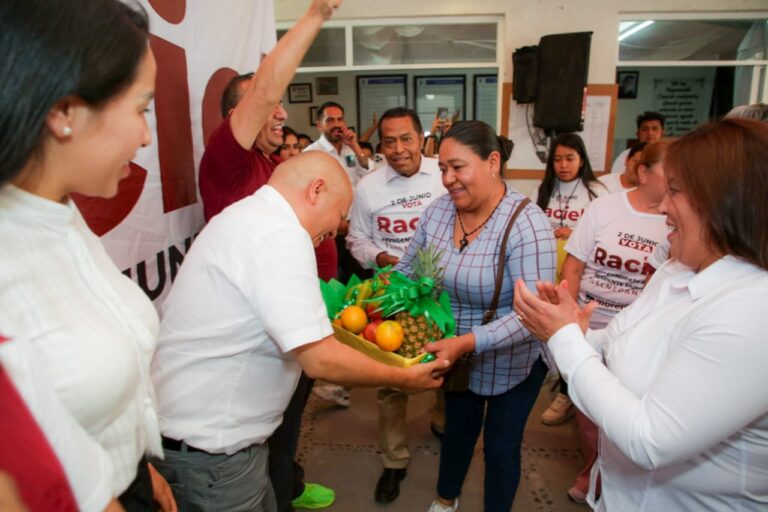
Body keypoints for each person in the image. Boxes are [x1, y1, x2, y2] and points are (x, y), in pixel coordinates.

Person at [151, 152, 447, 512]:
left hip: (209, 445)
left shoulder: (247, 216)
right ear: (316, 190)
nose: (336, 230)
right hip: (212, 455)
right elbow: (319, 360)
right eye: (340, 215)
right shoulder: (279, 234)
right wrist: (403, 376)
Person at [514, 117, 768, 510]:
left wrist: (564, 338)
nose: (663, 206)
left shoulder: (753, 311)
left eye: (676, 192)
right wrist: (576, 330)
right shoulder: (675, 269)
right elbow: (617, 341)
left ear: (723, 200)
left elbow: (650, 440)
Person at [0, 1, 175, 510]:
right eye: (141, 109)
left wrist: (134, 464)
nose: (146, 136)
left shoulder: (62, 212)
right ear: (64, 113)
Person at [394, 121, 556, 512]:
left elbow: (532, 315)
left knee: (501, 448)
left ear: (492, 162)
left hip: (513, 360)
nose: (448, 179)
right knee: (457, 433)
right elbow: (406, 270)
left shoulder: (527, 224)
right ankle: (445, 500)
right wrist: (381, 300)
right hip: (457, 359)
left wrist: (467, 341)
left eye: (458, 167)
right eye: (443, 169)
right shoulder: (437, 213)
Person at [344, 107, 448, 503]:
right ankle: (394, 460)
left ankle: (442, 422)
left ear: (421, 137)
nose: (399, 148)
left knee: (446, 366)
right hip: (391, 294)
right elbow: (355, 239)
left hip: (442, 292)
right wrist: (384, 258)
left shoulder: (444, 175)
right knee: (390, 382)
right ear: (381, 143)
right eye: (389, 141)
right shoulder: (369, 187)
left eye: (406, 138)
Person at [558, 140, 670, 504]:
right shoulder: (605, 208)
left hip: (640, 336)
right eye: (671, 173)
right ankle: (592, 468)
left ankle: (618, 481)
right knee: (589, 413)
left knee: (628, 417)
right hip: (591, 327)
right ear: (643, 172)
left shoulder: (682, 217)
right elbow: (573, 266)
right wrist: (573, 321)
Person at [534, 133, 607, 426]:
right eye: (558, 159)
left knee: (575, 327)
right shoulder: (546, 188)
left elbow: (601, 233)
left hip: (580, 273)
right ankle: (552, 371)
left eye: (570, 158)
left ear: (582, 159)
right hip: (550, 268)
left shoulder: (595, 190)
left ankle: (569, 391)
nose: (563, 165)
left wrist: (573, 231)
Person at [304, 101, 371, 186]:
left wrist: (355, 146)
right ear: (319, 125)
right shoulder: (309, 153)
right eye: (330, 120)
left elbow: (368, 175)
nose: (336, 124)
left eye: (339, 119)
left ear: (344, 123)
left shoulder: (351, 148)